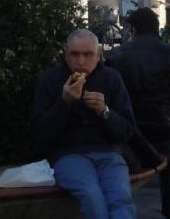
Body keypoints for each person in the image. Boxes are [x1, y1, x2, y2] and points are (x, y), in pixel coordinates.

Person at [32, 29, 138, 219]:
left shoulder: (111, 79)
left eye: (88, 54)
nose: (81, 61)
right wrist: (64, 103)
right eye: (75, 54)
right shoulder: (50, 80)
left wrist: (104, 111)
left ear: (98, 56)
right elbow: (40, 133)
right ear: (66, 55)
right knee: (92, 197)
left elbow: (126, 130)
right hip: (68, 154)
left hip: (108, 153)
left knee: (121, 198)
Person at [106, 7, 170, 219]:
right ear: (156, 28)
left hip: (129, 133)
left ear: (133, 29)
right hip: (162, 129)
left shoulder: (116, 56)